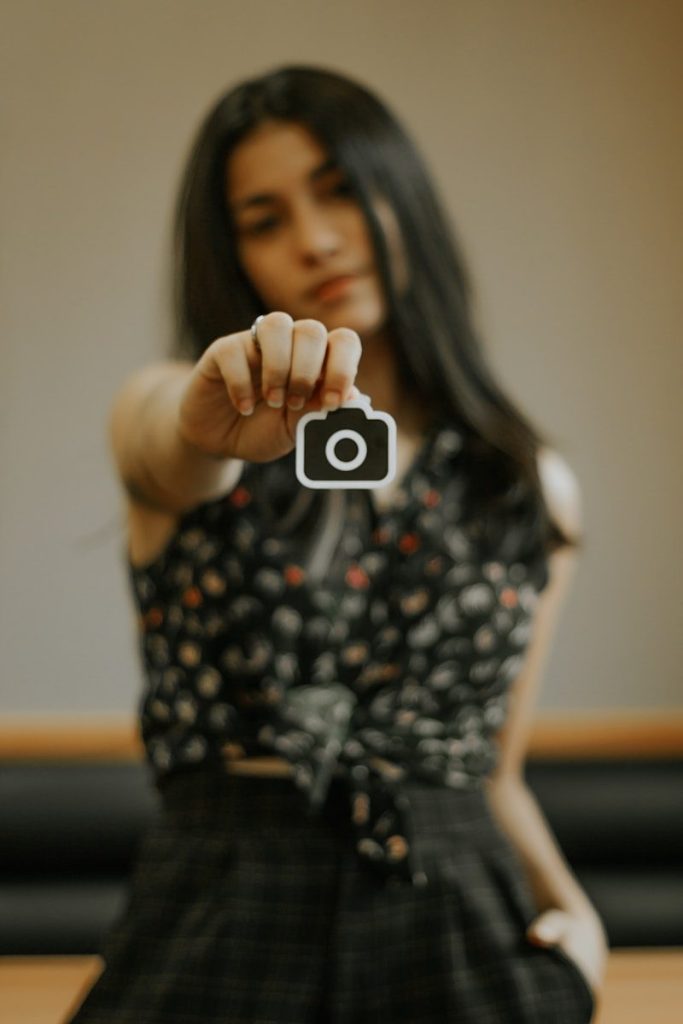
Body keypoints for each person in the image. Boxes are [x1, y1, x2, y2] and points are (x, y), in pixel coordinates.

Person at [66, 64, 608, 1024]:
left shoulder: (522, 484)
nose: (315, 240)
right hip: (218, 924)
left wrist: (576, 920)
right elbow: (168, 448)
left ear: (400, 198)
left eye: (339, 191)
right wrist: (204, 420)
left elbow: (494, 774)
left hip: (463, 935)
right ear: (232, 254)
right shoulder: (183, 416)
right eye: (263, 218)